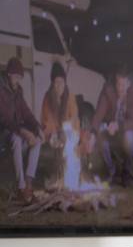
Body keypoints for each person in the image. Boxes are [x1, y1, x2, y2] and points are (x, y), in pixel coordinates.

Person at [90, 66, 133, 186]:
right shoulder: (108, 90)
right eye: (118, 84)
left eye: (123, 85)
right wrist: (93, 132)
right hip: (112, 131)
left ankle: (126, 171)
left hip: (130, 130)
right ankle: (112, 171)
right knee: (99, 134)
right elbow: (99, 113)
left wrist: (118, 126)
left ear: (129, 83)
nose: (120, 88)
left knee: (129, 138)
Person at [1, 56, 43, 201]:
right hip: (4, 134)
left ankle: (28, 183)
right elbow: (5, 120)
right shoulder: (1, 90)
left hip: (17, 131)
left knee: (37, 141)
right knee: (18, 139)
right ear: (9, 74)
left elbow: (26, 112)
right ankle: (21, 187)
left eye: (20, 77)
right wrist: (23, 132)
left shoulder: (18, 91)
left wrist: (37, 128)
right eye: (16, 76)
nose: (18, 80)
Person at [38, 62, 76, 190]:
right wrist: (54, 135)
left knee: (69, 143)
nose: (59, 86)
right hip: (52, 132)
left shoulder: (70, 96)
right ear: (52, 84)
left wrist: (66, 131)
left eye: (61, 82)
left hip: (67, 130)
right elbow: (46, 121)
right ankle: (55, 177)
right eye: (56, 82)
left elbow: (74, 117)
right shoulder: (48, 97)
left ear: (65, 83)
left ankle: (68, 177)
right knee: (56, 145)